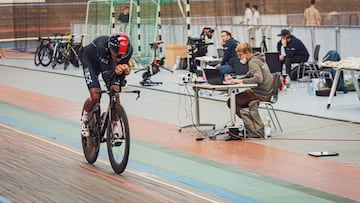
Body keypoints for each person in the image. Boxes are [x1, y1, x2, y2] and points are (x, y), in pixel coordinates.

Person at [80, 32, 133, 137]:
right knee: (95, 95)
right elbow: (107, 76)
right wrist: (117, 70)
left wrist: (125, 71)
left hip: (108, 64)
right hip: (90, 62)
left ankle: (113, 126)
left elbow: (119, 80)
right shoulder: (101, 47)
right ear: (109, 49)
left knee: (116, 95)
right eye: (117, 55)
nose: (119, 59)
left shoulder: (128, 50)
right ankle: (85, 119)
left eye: (122, 56)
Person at [224, 42, 273, 114]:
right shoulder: (258, 59)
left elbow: (258, 79)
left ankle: (251, 121)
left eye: (240, 55)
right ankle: (251, 118)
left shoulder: (253, 62)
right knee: (244, 95)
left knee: (231, 102)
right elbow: (248, 75)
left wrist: (240, 81)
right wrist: (235, 80)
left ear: (247, 53)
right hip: (266, 92)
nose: (238, 57)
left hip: (261, 94)